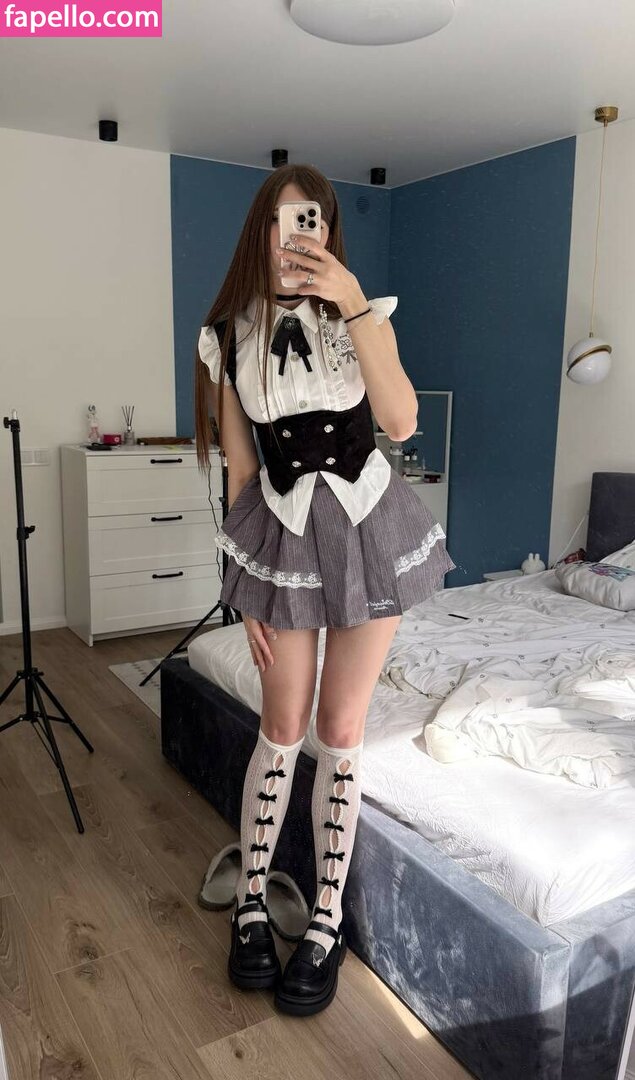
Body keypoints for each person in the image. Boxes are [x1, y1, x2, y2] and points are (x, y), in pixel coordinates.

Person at [194, 163, 455, 1017]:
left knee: (341, 729)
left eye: (308, 221)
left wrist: (350, 301)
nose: (292, 237)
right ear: (259, 231)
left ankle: (326, 919)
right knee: (281, 725)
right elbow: (240, 472)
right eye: (279, 222)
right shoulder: (228, 335)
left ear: (327, 230)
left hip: (370, 529)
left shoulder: (360, 315)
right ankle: (251, 902)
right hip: (283, 536)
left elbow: (402, 421)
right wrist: (243, 590)